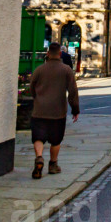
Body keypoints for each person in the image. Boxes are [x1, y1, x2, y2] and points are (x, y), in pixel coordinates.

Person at [30, 42, 80, 179]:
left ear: (47, 54)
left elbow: (31, 87)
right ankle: (53, 165)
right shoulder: (66, 70)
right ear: (60, 54)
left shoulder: (39, 70)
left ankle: (39, 158)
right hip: (57, 112)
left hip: (39, 111)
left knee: (38, 137)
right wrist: (75, 109)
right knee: (56, 140)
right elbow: (73, 91)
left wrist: (37, 99)